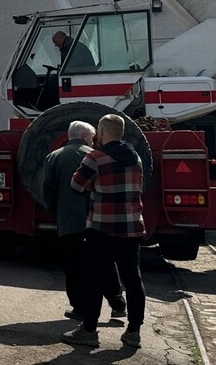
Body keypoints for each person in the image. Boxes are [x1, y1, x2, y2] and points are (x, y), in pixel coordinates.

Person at [62, 114, 146, 350]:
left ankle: (89, 330)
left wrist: (94, 185)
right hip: (132, 228)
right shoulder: (136, 157)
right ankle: (133, 332)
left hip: (102, 229)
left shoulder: (95, 157)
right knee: (133, 279)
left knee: (93, 279)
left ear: (101, 131)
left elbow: (77, 185)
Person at [41, 120, 126, 321]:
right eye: (91, 137)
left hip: (69, 222)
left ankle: (79, 308)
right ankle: (118, 305)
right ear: (82, 136)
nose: (94, 140)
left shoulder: (54, 157)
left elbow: (47, 190)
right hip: (98, 220)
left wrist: (57, 212)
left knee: (72, 267)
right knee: (105, 263)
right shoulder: (100, 156)